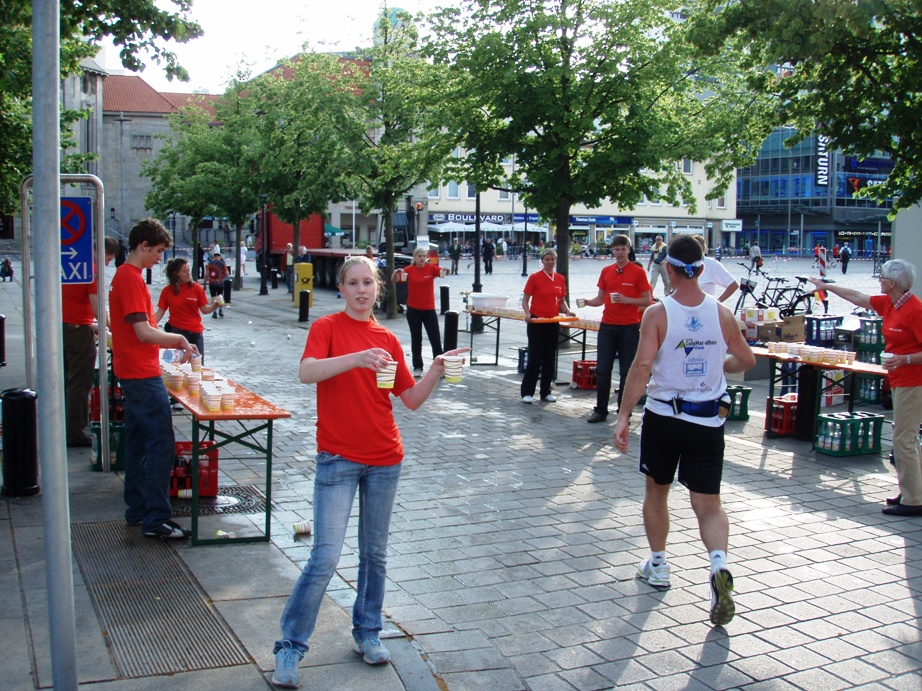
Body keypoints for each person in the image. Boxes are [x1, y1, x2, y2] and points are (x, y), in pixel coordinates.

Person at [270, 256, 469, 688]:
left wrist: (435, 369)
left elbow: (409, 400)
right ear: (341, 289)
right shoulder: (327, 328)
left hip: (384, 458)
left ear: (378, 288)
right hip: (337, 458)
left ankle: (368, 631)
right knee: (324, 556)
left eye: (368, 283)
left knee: (374, 555)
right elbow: (307, 373)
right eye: (353, 283)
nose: (361, 290)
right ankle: (290, 647)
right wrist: (356, 357)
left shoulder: (388, 340)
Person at [614, 235, 756, 626]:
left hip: (664, 417)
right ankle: (717, 566)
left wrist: (624, 414)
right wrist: (717, 365)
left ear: (670, 269)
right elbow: (746, 359)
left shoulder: (658, 314)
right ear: (702, 268)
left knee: (656, 492)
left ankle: (658, 565)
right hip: (708, 420)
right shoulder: (721, 313)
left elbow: (642, 368)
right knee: (709, 504)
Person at [810, 261, 922, 516]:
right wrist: (827, 285)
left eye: (882, 277)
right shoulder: (892, 303)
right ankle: (912, 491)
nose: (879, 281)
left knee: (904, 439)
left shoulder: (914, 310)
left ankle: (914, 500)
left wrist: (904, 359)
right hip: (900, 378)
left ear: (892, 283)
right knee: (907, 438)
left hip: (913, 380)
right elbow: (858, 297)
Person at [109, 218, 198, 539]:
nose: (160, 258)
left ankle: (137, 509)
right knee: (162, 444)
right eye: (158, 251)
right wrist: (177, 340)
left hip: (131, 369)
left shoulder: (122, 275)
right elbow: (143, 331)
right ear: (142, 246)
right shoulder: (130, 279)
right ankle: (156, 519)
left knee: (136, 443)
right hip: (141, 374)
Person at [580, 234, 652, 423]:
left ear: (629, 250)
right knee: (603, 369)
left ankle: (624, 411)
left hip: (629, 327)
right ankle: (601, 409)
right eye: (616, 249)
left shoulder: (637, 272)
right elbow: (601, 298)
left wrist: (628, 300)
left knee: (626, 371)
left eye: (623, 249)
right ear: (612, 250)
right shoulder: (607, 271)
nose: (619, 253)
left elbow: (648, 300)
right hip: (608, 326)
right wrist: (587, 302)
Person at [62, 237, 118, 447]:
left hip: (66, 324)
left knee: (68, 378)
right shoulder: (91, 270)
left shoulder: (74, 263)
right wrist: (113, 327)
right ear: (101, 252)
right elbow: (97, 307)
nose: (106, 265)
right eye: (108, 259)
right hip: (77, 328)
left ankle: (67, 425)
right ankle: (75, 433)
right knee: (79, 381)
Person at [520, 248, 574, 404]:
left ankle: (546, 391)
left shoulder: (560, 279)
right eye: (547, 259)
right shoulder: (535, 278)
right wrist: (528, 313)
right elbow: (525, 299)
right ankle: (527, 391)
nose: (550, 262)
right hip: (537, 321)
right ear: (542, 261)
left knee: (550, 357)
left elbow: (561, 301)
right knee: (535, 357)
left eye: (552, 259)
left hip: (552, 321)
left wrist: (568, 311)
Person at [392, 247, 446, 377]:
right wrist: (395, 272)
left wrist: (446, 271)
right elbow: (394, 280)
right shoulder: (409, 270)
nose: (422, 258)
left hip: (429, 310)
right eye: (419, 256)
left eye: (424, 256)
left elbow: (442, 273)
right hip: (413, 310)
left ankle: (439, 366)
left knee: (435, 339)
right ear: (415, 258)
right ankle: (417, 367)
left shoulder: (431, 268)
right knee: (416, 339)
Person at [154, 257, 220, 361]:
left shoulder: (196, 288)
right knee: (178, 365)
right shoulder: (167, 291)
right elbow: (159, 313)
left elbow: (204, 310)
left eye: (189, 271)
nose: (188, 274)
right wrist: (147, 326)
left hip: (196, 333)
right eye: (184, 271)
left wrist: (214, 306)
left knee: (197, 365)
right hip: (177, 332)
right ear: (176, 274)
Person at [693, 235, 738, 303]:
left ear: (702, 249)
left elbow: (733, 285)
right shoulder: (684, 263)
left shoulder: (712, 264)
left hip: (705, 310)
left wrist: (717, 302)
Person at [206, 252, 229, 318]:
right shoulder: (223, 264)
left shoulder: (209, 264)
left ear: (213, 258)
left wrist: (205, 282)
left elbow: (206, 274)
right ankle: (221, 310)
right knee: (220, 296)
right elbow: (227, 274)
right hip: (220, 283)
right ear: (220, 257)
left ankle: (214, 312)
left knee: (213, 297)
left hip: (212, 283)